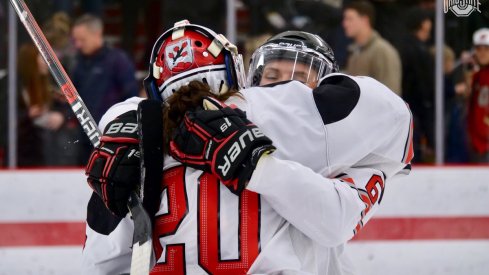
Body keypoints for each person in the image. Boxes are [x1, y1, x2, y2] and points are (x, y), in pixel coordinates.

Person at [82, 21, 413, 274]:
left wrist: (257, 164)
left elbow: (335, 222)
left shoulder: (339, 148)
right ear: (246, 80)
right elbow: (106, 260)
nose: (286, 87)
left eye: (300, 76)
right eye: (273, 74)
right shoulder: (143, 146)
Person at [71, 14, 139, 164]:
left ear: (97, 34)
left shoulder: (117, 60)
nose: (78, 45)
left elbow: (132, 98)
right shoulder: (78, 64)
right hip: (83, 138)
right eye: (76, 40)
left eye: (82, 40)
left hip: (112, 140)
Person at [342, 0, 402, 95]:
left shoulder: (383, 51)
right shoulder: (354, 51)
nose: (345, 24)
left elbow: (391, 94)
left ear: (365, 20)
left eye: (349, 19)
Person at [400, 7, 434, 163]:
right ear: (422, 24)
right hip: (417, 107)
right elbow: (425, 85)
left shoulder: (403, 45)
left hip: (407, 105)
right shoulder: (418, 50)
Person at [467, 28, 489, 162]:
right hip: (476, 143)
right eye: (478, 49)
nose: (481, 53)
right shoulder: (477, 75)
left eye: (486, 48)